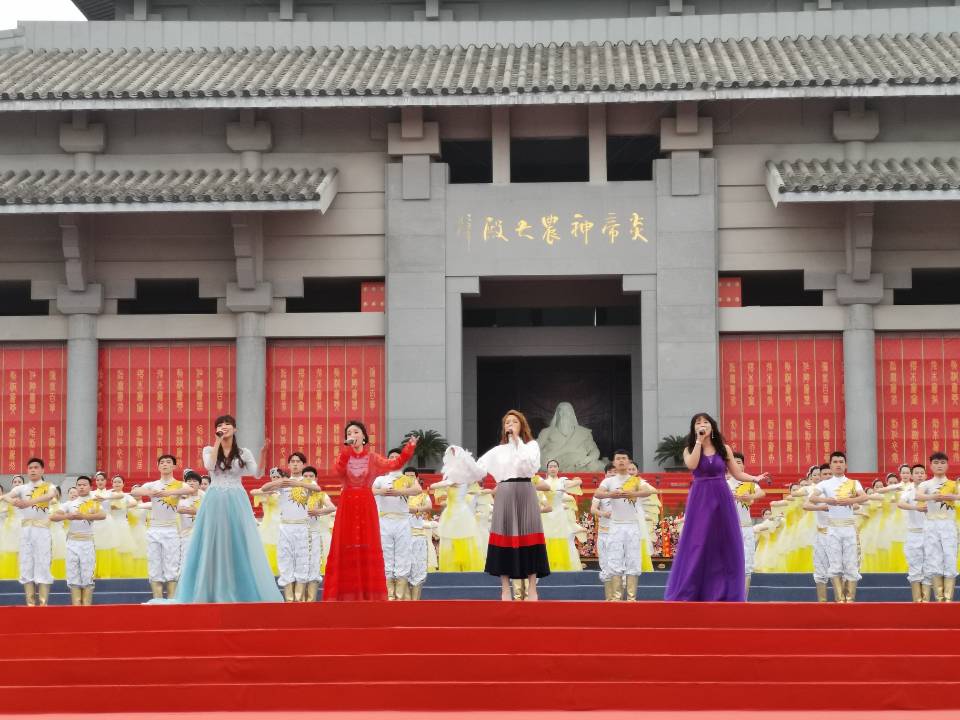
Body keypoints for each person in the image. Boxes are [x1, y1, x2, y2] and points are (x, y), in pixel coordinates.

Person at [169, 415, 280, 603]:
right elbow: (209, 466)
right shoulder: (209, 449)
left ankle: (238, 588)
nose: (224, 427)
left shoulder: (243, 452)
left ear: (235, 429)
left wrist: (263, 454)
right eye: (220, 425)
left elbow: (256, 473)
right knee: (212, 540)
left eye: (228, 424)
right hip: (215, 498)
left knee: (237, 540)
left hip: (236, 498)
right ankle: (210, 589)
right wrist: (217, 441)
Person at [664, 413, 770, 602]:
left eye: (705, 422)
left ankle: (722, 591)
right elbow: (692, 465)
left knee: (722, 542)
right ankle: (692, 590)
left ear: (712, 426)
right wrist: (698, 441)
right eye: (698, 423)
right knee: (698, 541)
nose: (702, 425)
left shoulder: (724, 448)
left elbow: (737, 474)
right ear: (693, 428)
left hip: (721, 496)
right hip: (700, 497)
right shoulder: (690, 449)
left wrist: (755, 478)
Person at [450, 410, 550, 601]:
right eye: (507, 423)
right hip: (504, 491)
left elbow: (529, 466)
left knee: (530, 534)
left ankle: (532, 588)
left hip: (526, 490)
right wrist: (461, 458)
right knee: (504, 535)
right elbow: (478, 470)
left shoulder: (531, 446)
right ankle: (505, 588)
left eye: (514, 422)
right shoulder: (497, 451)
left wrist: (517, 441)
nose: (510, 425)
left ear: (522, 425)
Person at [323, 421, 416, 601]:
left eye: (356, 432)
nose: (352, 435)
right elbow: (338, 471)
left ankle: (369, 594)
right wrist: (347, 450)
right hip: (347, 504)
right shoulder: (344, 456)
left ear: (364, 437)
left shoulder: (372, 458)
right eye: (349, 433)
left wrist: (409, 448)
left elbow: (394, 464)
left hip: (366, 504)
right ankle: (344, 594)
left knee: (367, 544)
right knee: (346, 544)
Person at [259, 452, 322, 602]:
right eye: (292, 461)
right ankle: (289, 600)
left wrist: (298, 484)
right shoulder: (284, 482)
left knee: (302, 562)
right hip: (285, 527)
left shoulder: (308, 482)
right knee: (285, 561)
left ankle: (299, 600)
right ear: (288, 465)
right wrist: (280, 482)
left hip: (303, 527)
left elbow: (318, 489)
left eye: (298, 461)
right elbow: (264, 488)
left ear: (303, 465)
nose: (295, 464)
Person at [133, 454, 197, 599]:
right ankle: (157, 600)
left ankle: (172, 600)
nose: (165, 464)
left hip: (171, 530)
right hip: (154, 529)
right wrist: (150, 493)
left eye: (168, 462)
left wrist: (169, 492)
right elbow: (135, 491)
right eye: (162, 462)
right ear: (158, 466)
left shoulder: (179, 484)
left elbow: (190, 490)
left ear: (174, 466)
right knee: (154, 565)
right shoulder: (153, 485)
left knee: (171, 566)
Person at [808, 451, 869, 603]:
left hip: (849, 528)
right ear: (830, 465)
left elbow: (864, 497)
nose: (838, 464)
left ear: (845, 465)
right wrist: (827, 500)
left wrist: (850, 500)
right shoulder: (824, 484)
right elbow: (812, 498)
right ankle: (839, 600)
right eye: (835, 462)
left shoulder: (854, 483)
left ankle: (850, 599)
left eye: (841, 462)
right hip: (833, 529)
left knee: (851, 564)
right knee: (835, 564)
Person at [595, 450, 653, 601]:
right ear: (614, 462)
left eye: (624, 458)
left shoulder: (635, 480)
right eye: (618, 459)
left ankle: (631, 598)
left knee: (633, 559)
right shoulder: (609, 481)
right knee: (615, 559)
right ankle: (616, 598)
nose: (621, 461)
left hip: (632, 526)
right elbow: (597, 494)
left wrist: (633, 494)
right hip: (615, 526)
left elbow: (648, 491)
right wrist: (611, 494)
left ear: (629, 462)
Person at [372, 449, 423, 599]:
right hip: (384, 521)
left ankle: (400, 596)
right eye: (391, 457)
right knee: (386, 556)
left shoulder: (407, 479)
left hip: (402, 521)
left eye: (397, 457)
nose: (394, 459)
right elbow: (369, 491)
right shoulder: (380, 479)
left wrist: (399, 492)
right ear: (387, 460)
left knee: (403, 555)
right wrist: (381, 491)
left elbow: (418, 489)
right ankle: (389, 596)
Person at [6, 458, 56, 606]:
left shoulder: (48, 486)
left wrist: (28, 502)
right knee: (26, 563)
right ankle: (30, 605)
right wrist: (13, 501)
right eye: (30, 468)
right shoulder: (21, 488)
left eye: (36, 467)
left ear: (42, 470)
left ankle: (43, 604)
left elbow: (50, 495)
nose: (33, 470)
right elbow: (6, 496)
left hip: (42, 529)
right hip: (26, 531)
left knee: (43, 562)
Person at [50, 475, 106, 606]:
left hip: (87, 542)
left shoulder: (94, 502)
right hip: (72, 542)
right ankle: (76, 608)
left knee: (87, 574)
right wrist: (68, 516)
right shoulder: (69, 504)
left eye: (84, 485)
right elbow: (53, 516)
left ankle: (86, 608)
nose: (81, 487)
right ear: (76, 487)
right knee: (72, 573)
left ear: (90, 487)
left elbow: (103, 515)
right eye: (79, 485)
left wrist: (84, 516)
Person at [431, 446, 485, 574]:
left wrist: (465, 458)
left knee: (464, 538)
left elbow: (479, 474)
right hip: (451, 513)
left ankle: (467, 570)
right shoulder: (451, 480)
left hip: (461, 514)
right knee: (451, 540)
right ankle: (452, 571)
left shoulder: (463, 480)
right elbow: (433, 486)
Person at [916, 452, 959, 602]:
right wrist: (933, 497)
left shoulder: (954, 484)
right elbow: (918, 496)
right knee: (934, 559)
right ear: (931, 465)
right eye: (936, 463)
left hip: (948, 524)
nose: (939, 465)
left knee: (950, 558)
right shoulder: (925, 484)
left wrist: (953, 497)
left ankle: (948, 599)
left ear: (947, 465)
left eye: (942, 462)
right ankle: (939, 599)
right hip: (931, 524)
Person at [726, 451, 766, 597]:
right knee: (728, 564)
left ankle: (743, 599)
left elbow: (762, 493)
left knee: (747, 565)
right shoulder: (724, 483)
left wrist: (750, 496)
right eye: (733, 462)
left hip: (746, 528)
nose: (736, 465)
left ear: (743, 466)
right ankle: (729, 598)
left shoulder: (749, 482)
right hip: (729, 529)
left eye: (739, 462)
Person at [304, 465, 335, 602]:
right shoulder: (296, 494)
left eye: (311, 476)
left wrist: (318, 511)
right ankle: (298, 600)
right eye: (305, 476)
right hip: (299, 534)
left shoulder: (321, 495)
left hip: (315, 533)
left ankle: (311, 600)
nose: (308, 478)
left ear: (316, 478)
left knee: (314, 565)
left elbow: (332, 507)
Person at [897, 469, 929, 602]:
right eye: (916, 473)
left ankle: (927, 601)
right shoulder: (908, 490)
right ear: (912, 476)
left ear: (926, 475)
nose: (920, 475)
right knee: (915, 567)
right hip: (914, 534)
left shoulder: (932, 489)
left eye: (922, 473)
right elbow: (900, 503)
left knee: (929, 568)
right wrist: (916, 508)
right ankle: (917, 601)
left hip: (930, 534)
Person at [405, 468, 433, 600]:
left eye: (412, 476)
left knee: (418, 568)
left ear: (417, 478)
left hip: (417, 536)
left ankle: (415, 602)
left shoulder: (422, 495)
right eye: (407, 476)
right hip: (401, 537)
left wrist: (414, 509)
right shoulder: (399, 495)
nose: (409, 478)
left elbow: (429, 507)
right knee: (402, 569)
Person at [176, 470, 204, 569]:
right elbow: (176, 509)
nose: (191, 483)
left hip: (202, 535)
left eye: (194, 481)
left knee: (202, 562)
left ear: (200, 485)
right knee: (186, 562)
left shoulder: (205, 499)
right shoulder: (180, 500)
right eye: (189, 481)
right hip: (185, 535)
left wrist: (197, 511)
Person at [0, 475, 25, 579]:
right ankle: (9, 577)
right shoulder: (6, 499)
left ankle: (22, 578)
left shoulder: (27, 497)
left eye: (19, 482)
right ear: (12, 484)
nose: (17, 483)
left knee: (22, 554)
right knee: (9, 552)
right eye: (15, 482)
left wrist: (4, 497)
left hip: (23, 528)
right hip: (9, 529)